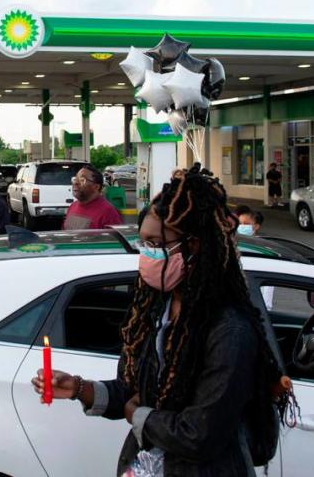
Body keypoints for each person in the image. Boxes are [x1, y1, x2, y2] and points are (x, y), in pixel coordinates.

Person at [32, 166, 291, 475]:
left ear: (193, 247)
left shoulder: (229, 330)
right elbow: (133, 391)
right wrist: (79, 388)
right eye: (143, 244)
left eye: (155, 244)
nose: (147, 255)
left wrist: (139, 415)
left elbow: (200, 433)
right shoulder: (157, 309)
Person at [62, 165, 123, 230]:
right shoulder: (73, 206)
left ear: (96, 187)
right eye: (75, 179)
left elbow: (114, 239)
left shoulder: (108, 213)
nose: (75, 183)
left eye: (82, 180)